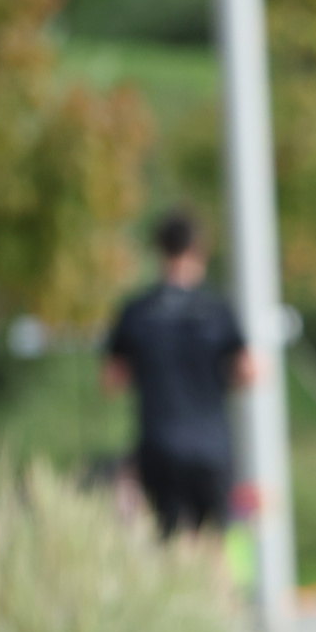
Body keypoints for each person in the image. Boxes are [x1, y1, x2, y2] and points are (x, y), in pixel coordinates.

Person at [104, 208, 250, 541]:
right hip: (212, 446)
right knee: (215, 543)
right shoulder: (217, 309)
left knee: (170, 540)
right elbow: (248, 371)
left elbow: (112, 380)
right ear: (200, 250)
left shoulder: (137, 311)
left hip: (160, 444)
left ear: (159, 250)